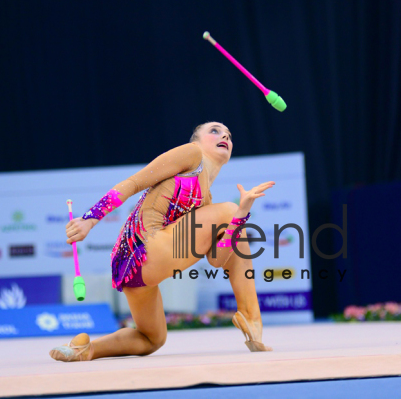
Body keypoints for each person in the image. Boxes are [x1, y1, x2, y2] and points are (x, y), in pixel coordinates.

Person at [49, 122, 275, 361]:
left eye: (229, 135)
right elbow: (135, 182)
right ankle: (250, 315)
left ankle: (85, 349)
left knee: (152, 339)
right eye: (215, 131)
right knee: (230, 210)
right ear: (196, 141)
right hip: (146, 246)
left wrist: (241, 214)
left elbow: (218, 260)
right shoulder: (192, 154)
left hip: (133, 270)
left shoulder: (206, 198)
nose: (225, 136)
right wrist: (90, 219)